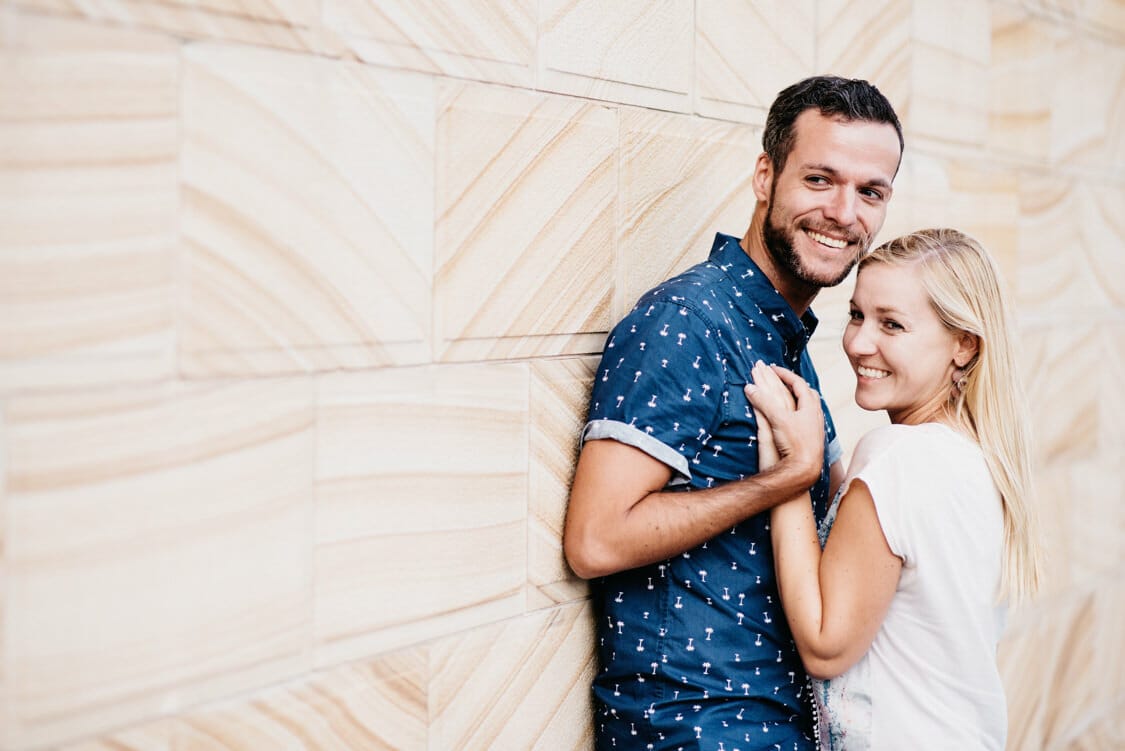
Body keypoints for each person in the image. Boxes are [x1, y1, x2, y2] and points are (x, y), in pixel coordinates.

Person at [563, 76, 904, 750]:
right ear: (764, 174)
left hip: (771, 724)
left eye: (870, 192)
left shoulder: (782, 336)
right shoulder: (686, 320)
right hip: (694, 730)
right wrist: (780, 481)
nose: (843, 212)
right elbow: (595, 539)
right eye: (819, 179)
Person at [745, 228, 1042, 749]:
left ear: (963, 345)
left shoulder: (900, 457)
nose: (859, 342)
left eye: (892, 324)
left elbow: (824, 644)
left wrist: (793, 471)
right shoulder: (978, 459)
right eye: (857, 315)